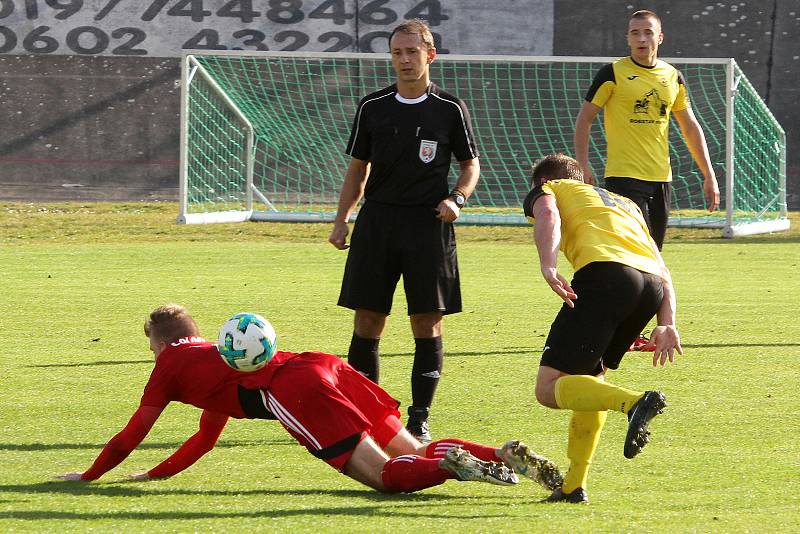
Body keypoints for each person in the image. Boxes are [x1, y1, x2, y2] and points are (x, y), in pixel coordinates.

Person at [55, 304, 563, 494]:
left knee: (387, 478)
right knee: (407, 451)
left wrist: (90, 474)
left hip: (295, 389)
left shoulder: (169, 367)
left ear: (160, 342)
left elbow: (132, 433)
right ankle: (495, 454)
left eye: (150, 345)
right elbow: (205, 437)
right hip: (322, 363)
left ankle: (455, 466)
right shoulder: (217, 357)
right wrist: (151, 476)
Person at [328, 19, 480, 442]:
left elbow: (471, 165)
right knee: (368, 319)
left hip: (427, 225)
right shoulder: (372, 106)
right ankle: (366, 413)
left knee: (426, 322)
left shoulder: (449, 109)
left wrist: (458, 199)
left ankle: (419, 418)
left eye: (413, 52)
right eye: (398, 53)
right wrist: (342, 219)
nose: (405, 60)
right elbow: (358, 168)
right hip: (377, 222)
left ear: (429, 55)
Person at [522, 153, 683, 504]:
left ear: (542, 181)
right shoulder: (626, 204)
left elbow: (548, 214)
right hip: (650, 286)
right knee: (590, 381)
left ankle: (635, 403)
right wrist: (667, 322)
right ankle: (573, 485)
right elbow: (661, 265)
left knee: (548, 389)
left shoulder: (549, 188)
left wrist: (548, 266)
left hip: (606, 276)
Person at [573, 9, 719, 350]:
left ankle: (635, 333)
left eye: (648, 32)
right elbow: (584, 120)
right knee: (627, 261)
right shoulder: (612, 73)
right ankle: (611, 327)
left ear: (660, 37)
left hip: (660, 182)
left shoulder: (672, 77)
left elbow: (690, 127)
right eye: (635, 32)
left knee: (652, 261)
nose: (641, 38)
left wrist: (709, 174)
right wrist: (583, 165)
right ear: (628, 38)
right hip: (623, 181)